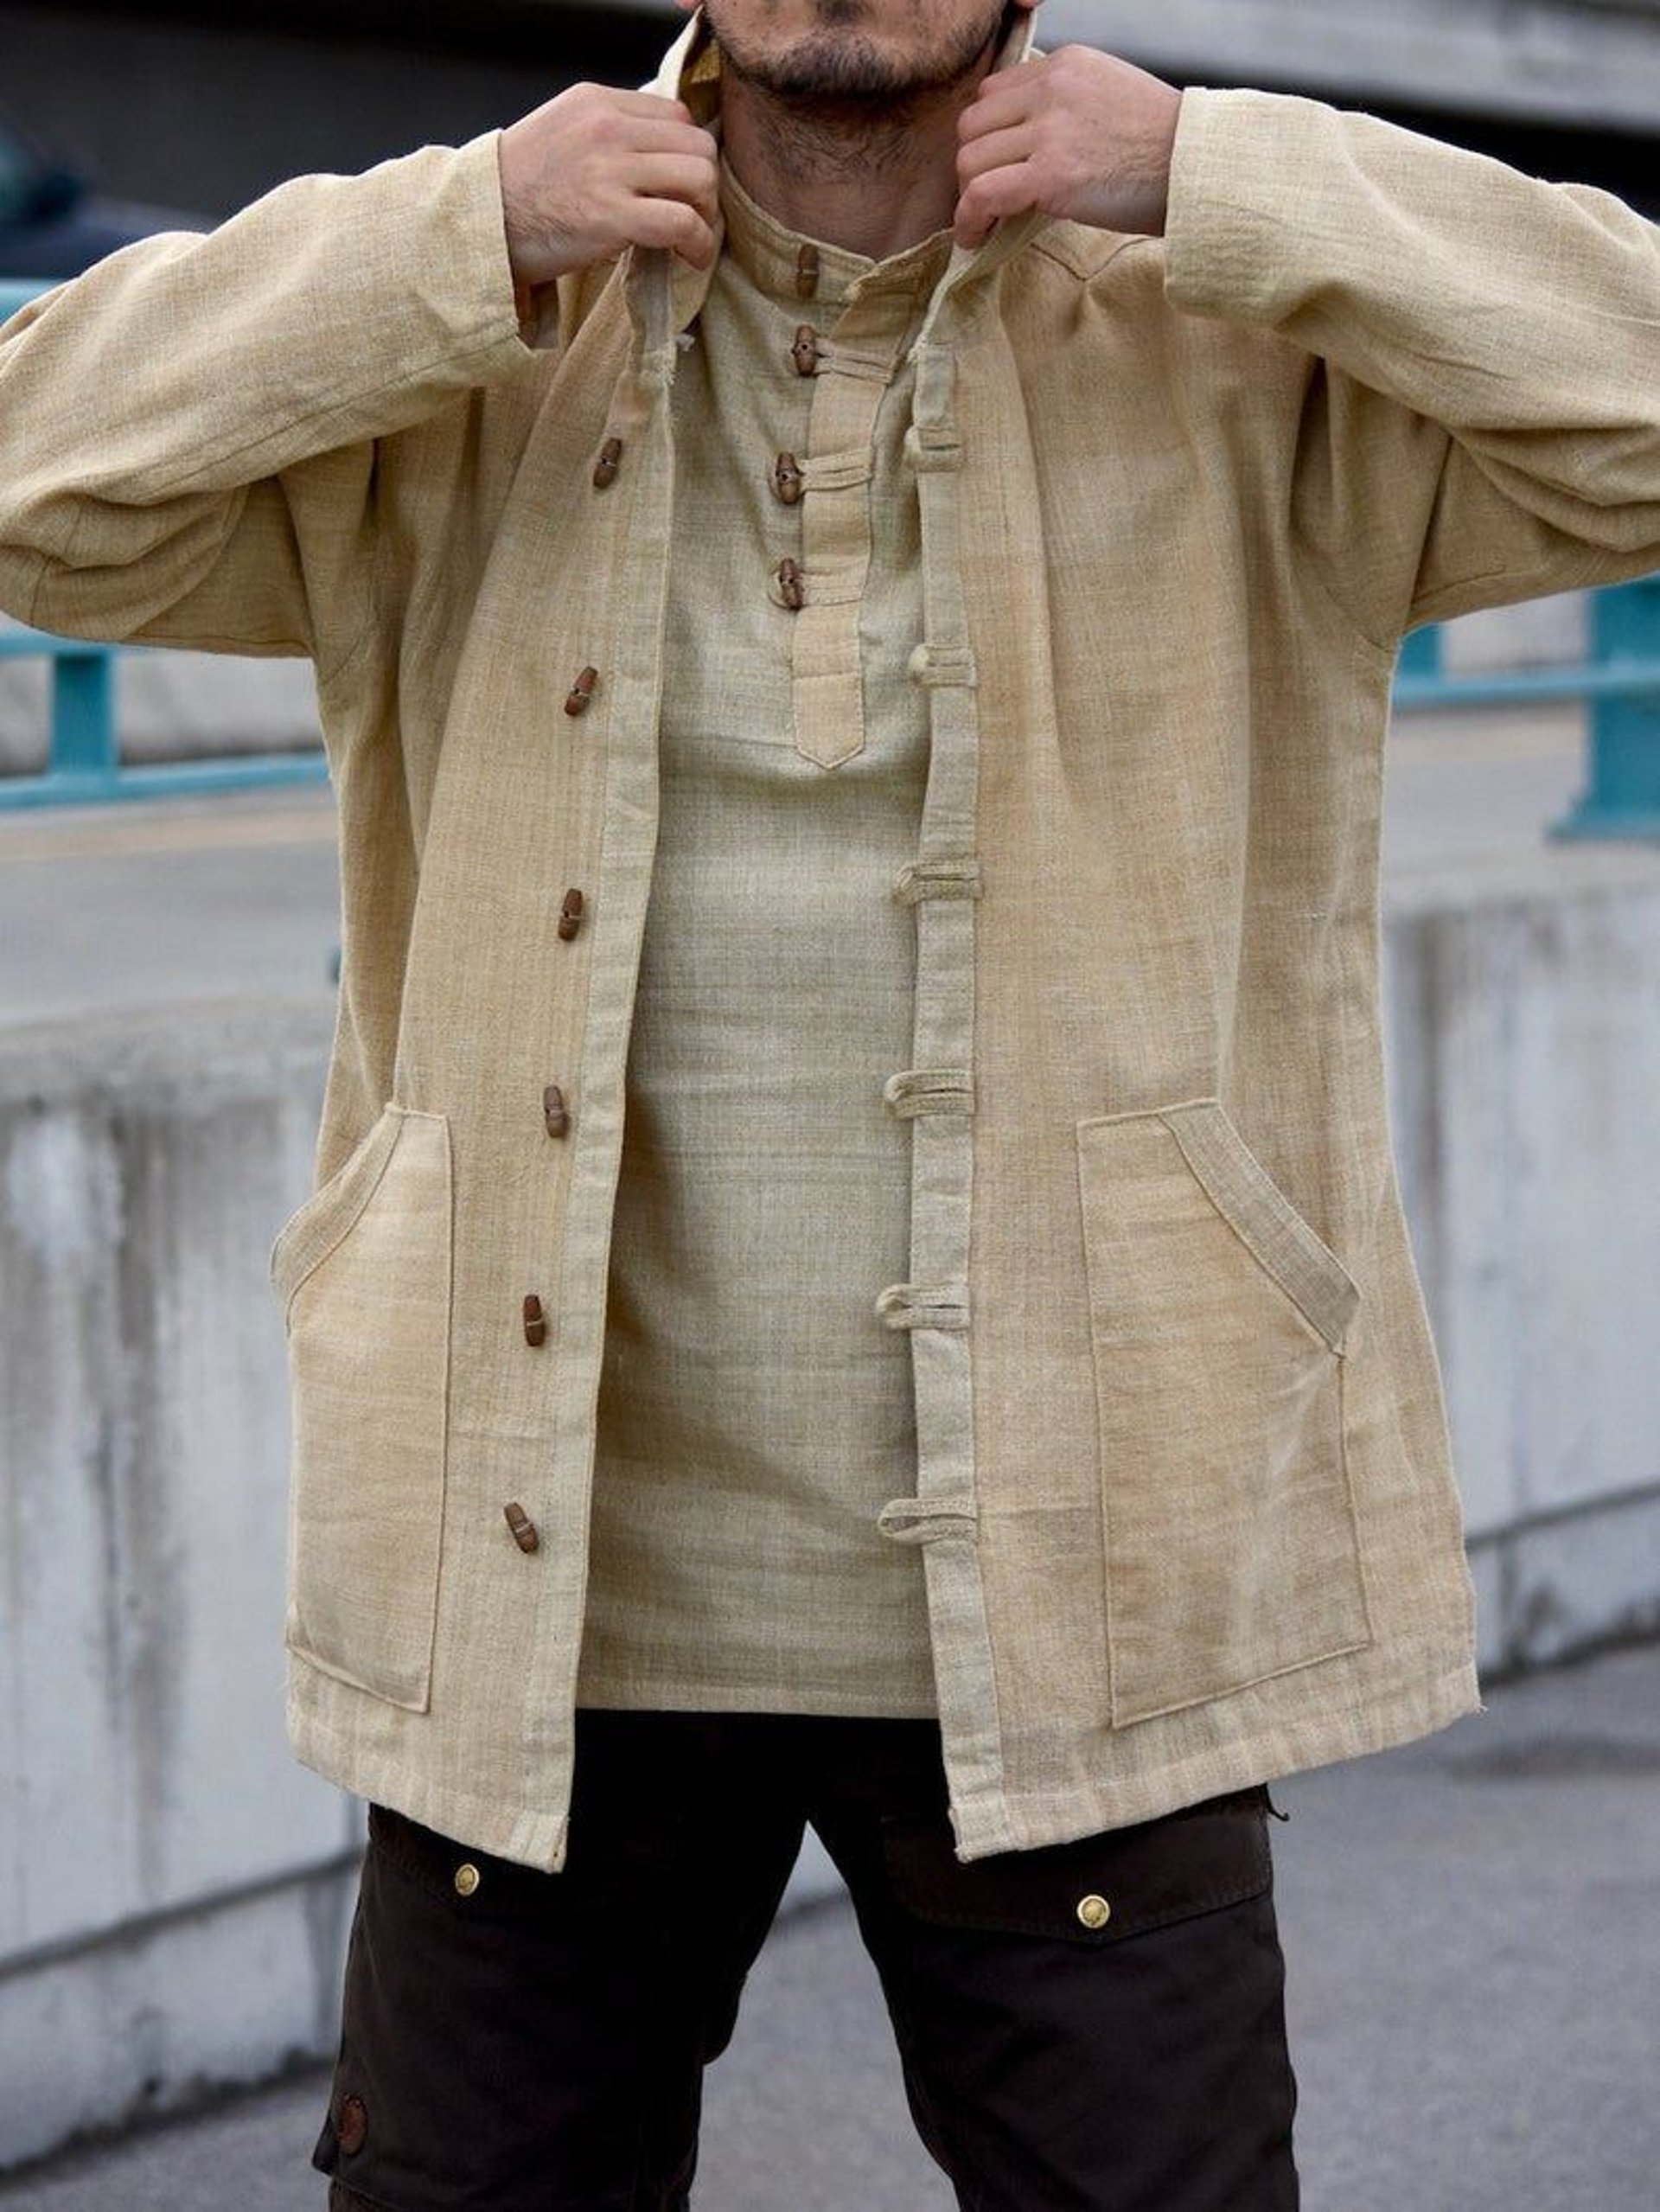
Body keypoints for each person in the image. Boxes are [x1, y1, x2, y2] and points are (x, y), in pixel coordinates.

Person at [2, 1, 1657, 2204]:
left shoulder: (1222, 329)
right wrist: (454, 227)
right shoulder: (487, 322)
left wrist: (1237, 176)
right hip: (538, 1606)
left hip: (1090, 1583)